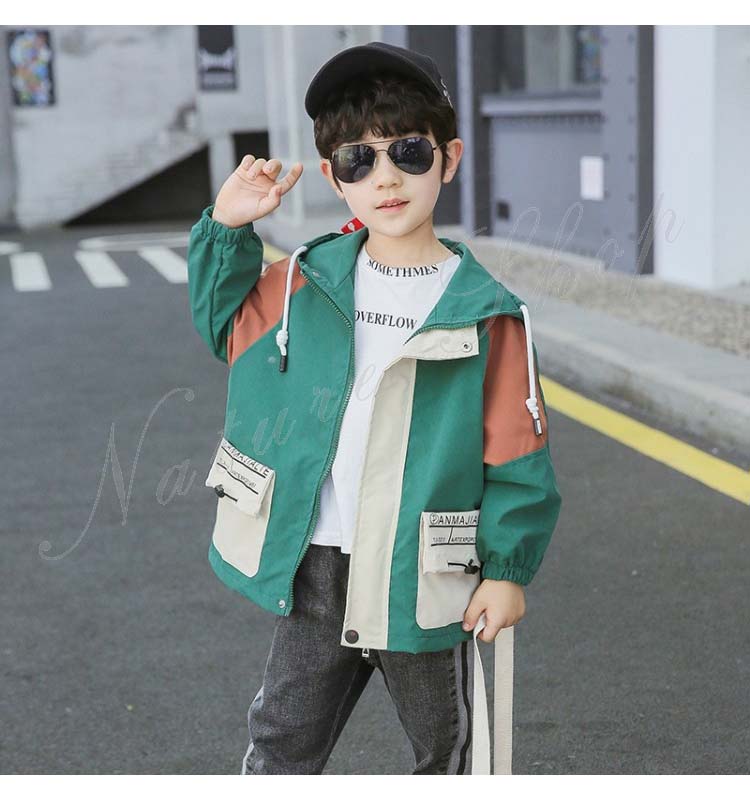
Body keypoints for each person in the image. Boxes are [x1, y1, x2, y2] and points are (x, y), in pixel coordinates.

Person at [186, 41, 563, 775]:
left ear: (448, 160)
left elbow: (518, 454)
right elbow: (221, 323)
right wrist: (228, 227)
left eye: (409, 152)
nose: (385, 178)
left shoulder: (488, 314)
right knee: (280, 742)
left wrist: (507, 569)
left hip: (419, 576)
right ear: (333, 177)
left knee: (446, 749)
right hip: (315, 567)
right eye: (358, 160)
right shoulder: (301, 281)